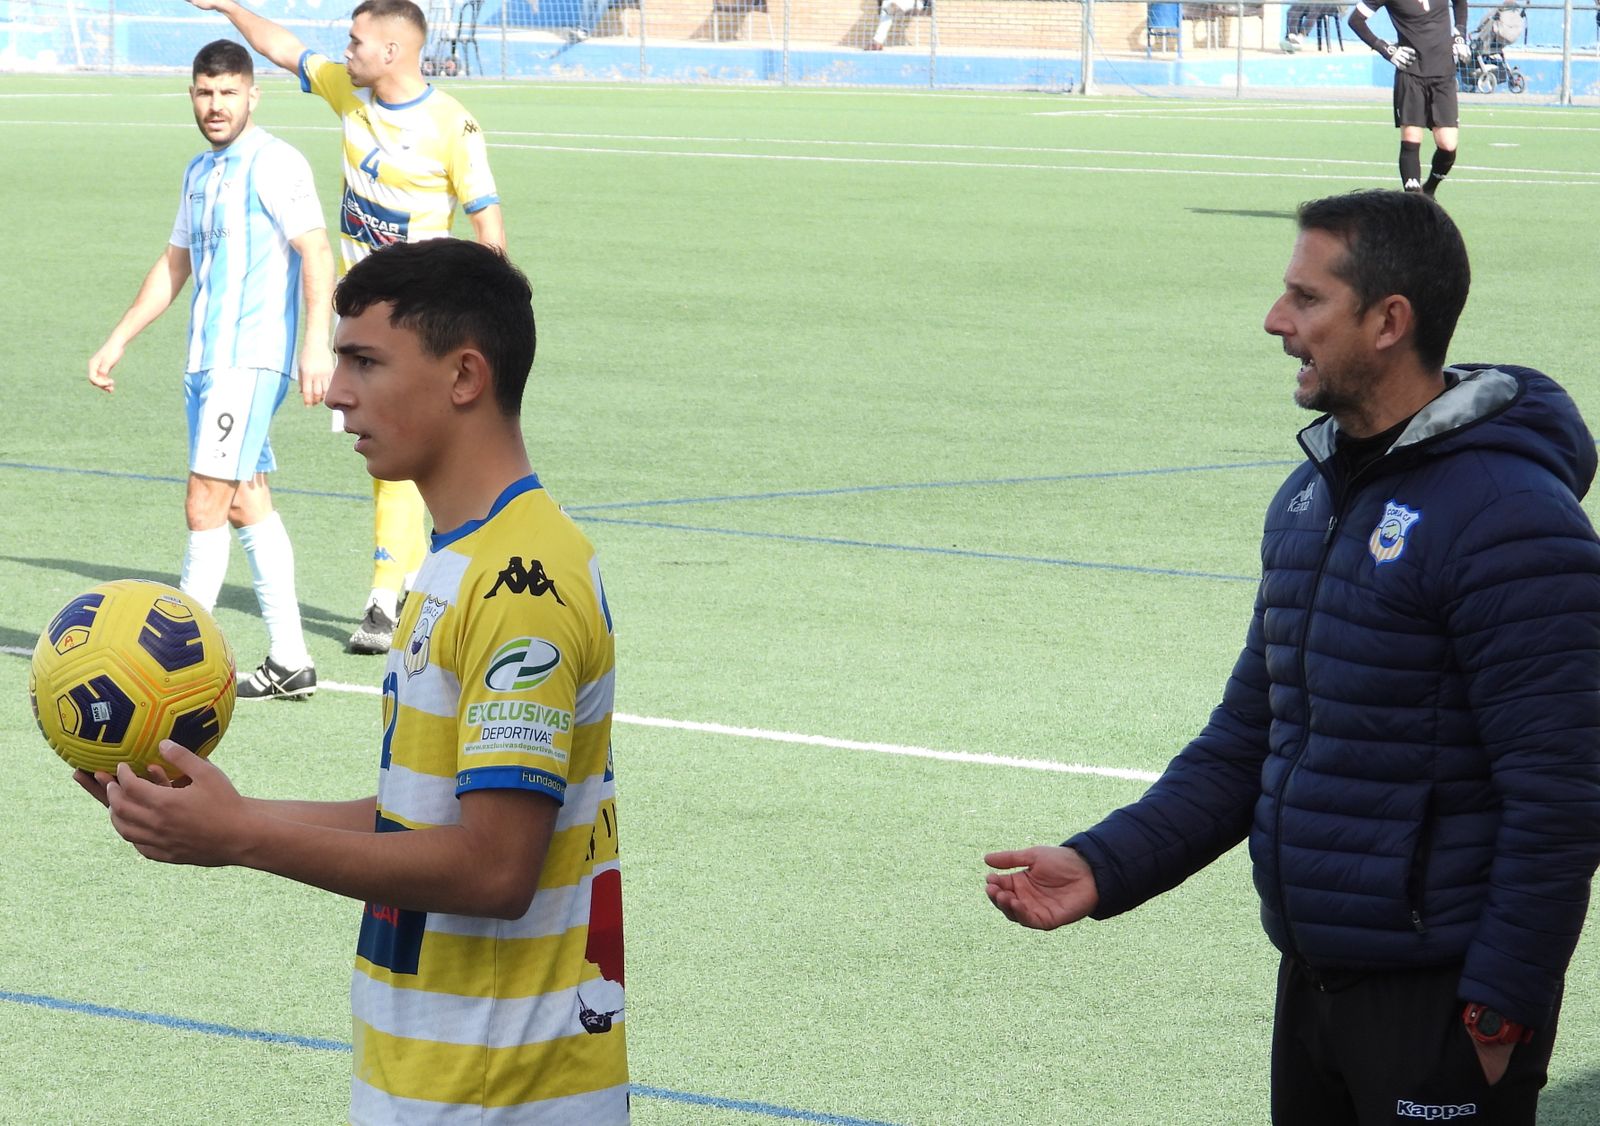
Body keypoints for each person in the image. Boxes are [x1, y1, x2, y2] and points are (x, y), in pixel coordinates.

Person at [985, 190, 1600, 1125]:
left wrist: (1500, 1009)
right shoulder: (1310, 500)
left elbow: (1563, 790)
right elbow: (1250, 736)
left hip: (1442, 1006)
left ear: (1390, 321)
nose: (1277, 322)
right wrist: (1106, 865)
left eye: (1307, 300)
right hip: (1315, 984)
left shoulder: (1511, 519)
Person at [77, 239, 628, 1124]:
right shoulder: (458, 561)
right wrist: (216, 812)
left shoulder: (521, 580)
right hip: (439, 1086)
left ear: (464, 376)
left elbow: (494, 869)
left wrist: (243, 838)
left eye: (364, 361)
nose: (335, 393)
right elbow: (418, 823)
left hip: (497, 1098)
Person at [188, 0, 506, 656]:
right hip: (362, 322)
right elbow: (283, 48)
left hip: (423, 319)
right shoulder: (349, 95)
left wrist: (488, 321)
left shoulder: (453, 125)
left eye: (356, 41)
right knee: (389, 456)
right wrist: (225, 5)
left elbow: (488, 231)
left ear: (391, 52)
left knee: (406, 453)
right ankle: (412, 589)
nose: (346, 50)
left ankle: (394, 597)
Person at [88, 39, 331, 701]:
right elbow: (175, 266)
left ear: (253, 93)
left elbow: (316, 251)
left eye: (228, 92)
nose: (215, 105)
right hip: (206, 366)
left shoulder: (276, 163)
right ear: (191, 95)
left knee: (203, 504)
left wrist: (318, 342)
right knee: (246, 501)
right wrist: (119, 339)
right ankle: (290, 659)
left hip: (248, 363)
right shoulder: (200, 171)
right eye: (204, 92)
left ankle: (166, 667)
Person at [1349, 0, 1470, 195]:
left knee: (1448, 145)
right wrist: (1386, 50)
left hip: (1444, 72)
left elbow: (1460, 3)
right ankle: (1414, 201)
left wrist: (1459, 35)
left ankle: (1429, 190)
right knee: (1411, 139)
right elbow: (1356, 20)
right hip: (1410, 72)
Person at [864, 0, 931, 50]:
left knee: (888, 7)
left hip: (917, 3)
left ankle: (877, 41)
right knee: (888, 4)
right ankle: (877, 42)